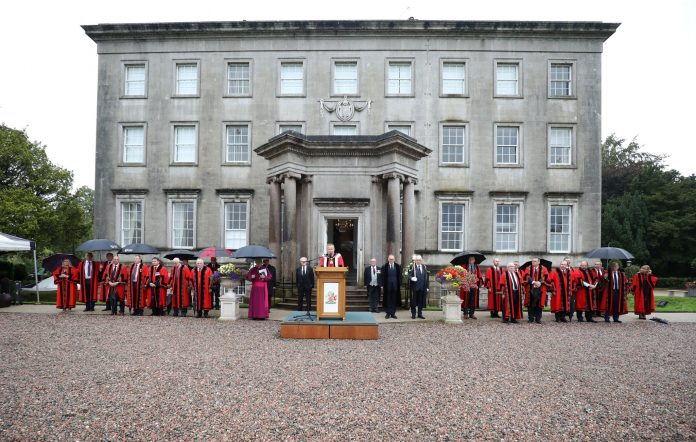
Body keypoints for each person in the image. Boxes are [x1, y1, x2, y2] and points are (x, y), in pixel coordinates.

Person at [523, 258, 549, 324]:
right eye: (532, 261)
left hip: (540, 288)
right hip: (530, 288)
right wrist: (533, 282)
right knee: (530, 304)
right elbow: (527, 276)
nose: (534, 262)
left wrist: (540, 282)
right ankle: (530, 318)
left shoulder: (544, 268)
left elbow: (545, 276)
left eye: (535, 261)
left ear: (539, 262)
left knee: (539, 304)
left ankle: (538, 318)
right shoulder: (528, 268)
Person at [380, 254, 401, 319]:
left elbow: (400, 276)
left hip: (395, 286)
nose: (391, 260)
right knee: (388, 299)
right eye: (390, 259)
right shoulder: (385, 266)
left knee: (394, 300)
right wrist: (382, 285)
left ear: (394, 259)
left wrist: (399, 283)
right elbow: (382, 276)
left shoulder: (397, 266)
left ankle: (393, 313)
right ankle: (388, 313)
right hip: (387, 286)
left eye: (392, 259)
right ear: (388, 259)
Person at [408, 255, 428, 319]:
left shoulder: (424, 267)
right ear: (415, 260)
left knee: (420, 301)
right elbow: (409, 275)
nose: (418, 261)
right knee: (413, 301)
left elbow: (426, 278)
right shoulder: (412, 267)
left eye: (419, 260)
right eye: (417, 260)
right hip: (415, 287)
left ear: (421, 260)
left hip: (422, 287)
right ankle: (413, 314)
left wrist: (427, 287)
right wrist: (411, 278)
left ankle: (420, 313)